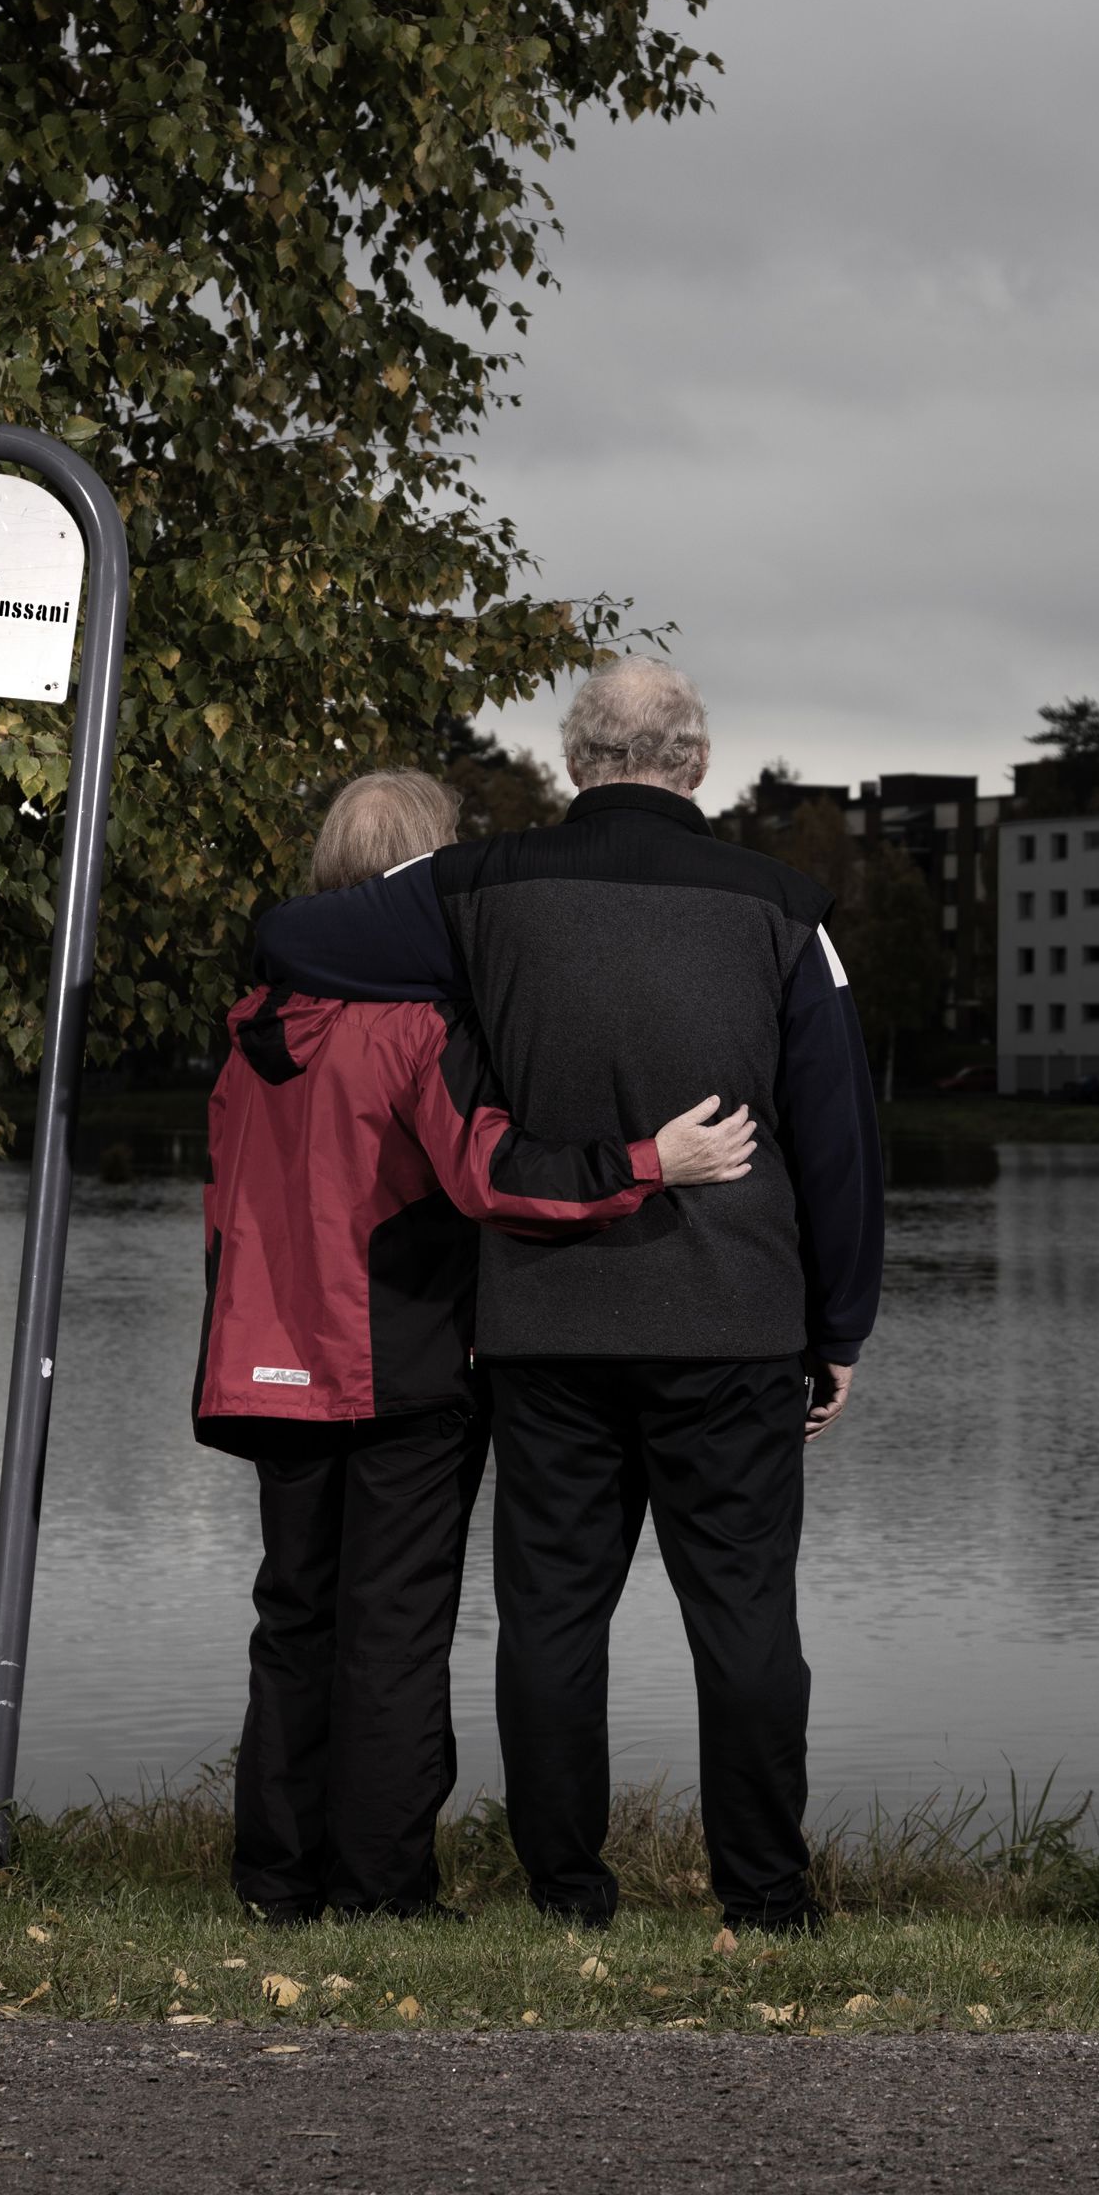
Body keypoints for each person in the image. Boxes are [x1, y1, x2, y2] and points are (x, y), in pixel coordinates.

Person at [252, 660, 884, 1933]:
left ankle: (567, 1895)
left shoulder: (484, 887)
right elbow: (840, 1139)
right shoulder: (783, 908)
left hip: (543, 1328)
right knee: (749, 1623)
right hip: (734, 1325)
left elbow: (287, 935)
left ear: (573, 760)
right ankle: (765, 1899)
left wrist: (445, 959)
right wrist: (840, 1329)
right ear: (696, 763)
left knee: (549, 1624)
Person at [197, 764, 759, 1927]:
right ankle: (383, 1890)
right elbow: (495, 1177)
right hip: (396, 1366)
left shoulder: (252, 1025)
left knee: (295, 1619)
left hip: (265, 1367)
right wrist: (651, 1162)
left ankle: (274, 1878)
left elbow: (227, 1208)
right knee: (394, 1633)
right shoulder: (416, 1029)